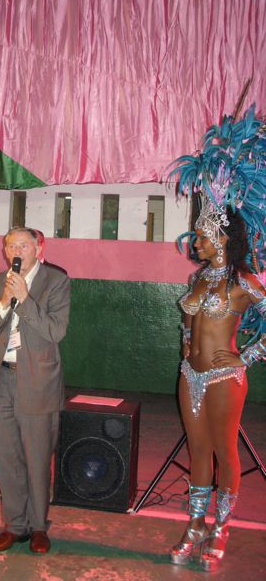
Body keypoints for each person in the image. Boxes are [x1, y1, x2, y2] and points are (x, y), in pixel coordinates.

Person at [169, 104, 266, 572]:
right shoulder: (197, 280)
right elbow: (188, 323)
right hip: (190, 376)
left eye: (204, 236)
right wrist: (186, 344)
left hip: (226, 377)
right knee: (197, 451)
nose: (197, 242)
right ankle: (194, 524)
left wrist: (247, 355)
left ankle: (221, 527)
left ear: (224, 238)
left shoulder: (244, 281)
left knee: (227, 452)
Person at [0, 226, 70, 553]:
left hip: (37, 381)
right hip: (1, 379)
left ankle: (39, 526)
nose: (16, 251)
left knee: (37, 458)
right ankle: (15, 526)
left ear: (38, 249)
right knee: (7, 457)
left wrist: (25, 299)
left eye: (23, 245)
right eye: (11, 246)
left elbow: (55, 331)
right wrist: (4, 303)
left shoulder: (56, 281)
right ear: (4, 252)